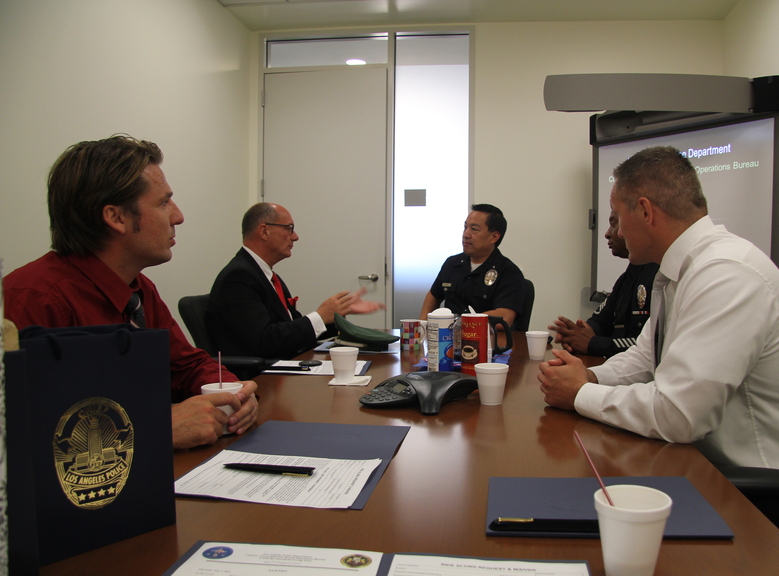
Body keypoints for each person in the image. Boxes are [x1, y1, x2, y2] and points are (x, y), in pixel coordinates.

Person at [538, 146, 779, 493]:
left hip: (768, 491)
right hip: (709, 462)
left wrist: (580, 393)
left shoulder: (726, 276)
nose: (616, 232)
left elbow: (679, 416)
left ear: (646, 211)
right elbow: (648, 356)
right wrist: (589, 375)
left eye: (618, 217)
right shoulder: (682, 270)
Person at [3, 135, 258, 450]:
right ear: (116, 217)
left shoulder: (138, 289)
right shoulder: (31, 298)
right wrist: (153, 427)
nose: (178, 216)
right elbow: (19, 432)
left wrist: (235, 393)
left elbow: (186, 365)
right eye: (163, 202)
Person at [206, 203, 385, 359]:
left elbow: (292, 330)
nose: (295, 236)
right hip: (260, 379)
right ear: (264, 231)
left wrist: (336, 314)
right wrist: (320, 316)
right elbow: (264, 342)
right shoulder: (238, 277)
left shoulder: (267, 276)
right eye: (289, 228)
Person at [549, 213, 659, 356]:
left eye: (613, 224)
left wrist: (592, 343)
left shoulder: (659, 275)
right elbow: (601, 321)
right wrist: (575, 334)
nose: (607, 234)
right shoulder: (626, 277)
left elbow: (651, 346)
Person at [420, 204, 525, 327]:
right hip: (448, 340)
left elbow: (504, 316)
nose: (466, 234)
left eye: (474, 229)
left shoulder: (509, 272)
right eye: (465, 227)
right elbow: (433, 295)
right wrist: (423, 326)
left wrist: (460, 324)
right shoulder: (452, 264)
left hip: (487, 341)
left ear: (494, 236)